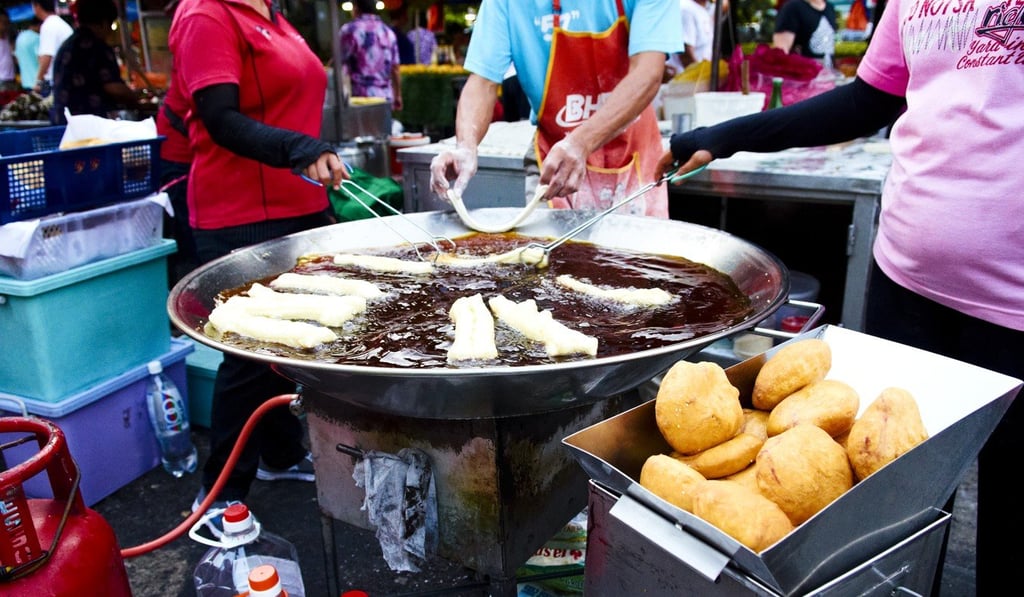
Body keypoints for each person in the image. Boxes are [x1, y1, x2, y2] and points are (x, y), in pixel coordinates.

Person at [660, 0, 1022, 593]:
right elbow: (865, 102)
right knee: (899, 509)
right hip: (906, 281)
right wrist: (723, 137)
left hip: (1014, 307)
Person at [167, 0, 347, 513]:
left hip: (298, 208)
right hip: (241, 213)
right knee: (248, 356)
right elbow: (219, 119)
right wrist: (298, 148)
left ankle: (279, 454)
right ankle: (220, 499)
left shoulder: (270, 13)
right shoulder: (207, 14)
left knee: (288, 349)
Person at [429, 0, 683, 218]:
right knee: (546, 258)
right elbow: (482, 82)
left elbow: (648, 73)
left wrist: (581, 142)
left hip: (633, 156)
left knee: (638, 258)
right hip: (553, 162)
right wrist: (466, 145)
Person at [51, 0, 140, 124]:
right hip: (90, 123)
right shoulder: (98, 47)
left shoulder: (67, 45)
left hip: (63, 122)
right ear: (104, 23)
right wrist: (135, 98)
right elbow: (113, 88)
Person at [338, 0, 402, 111]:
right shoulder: (388, 32)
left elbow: (339, 62)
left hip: (359, 99)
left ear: (356, 8)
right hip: (384, 98)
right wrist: (398, 96)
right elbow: (395, 68)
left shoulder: (349, 30)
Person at [31, 0, 73, 98]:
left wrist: (38, 81)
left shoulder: (49, 25)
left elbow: (47, 56)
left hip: (56, 81)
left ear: (37, 6)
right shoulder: (58, 23)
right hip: (65, 78)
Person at [772, 0, 837, 60]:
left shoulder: (829, 7)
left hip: (828, 67)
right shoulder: (793, 7)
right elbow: (782, 50)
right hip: (801, 66)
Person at [14, 18, 41, 92]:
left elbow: (17, 59)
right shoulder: (36, 38)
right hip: (37, 83)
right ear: (39, 25)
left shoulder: (20, 37)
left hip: (25, 82)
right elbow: (41, 59)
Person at [0, 11, 15, 91]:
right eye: (3, 22)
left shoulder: (7, 38)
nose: (6, 25)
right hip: (1, 80)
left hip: (11, 78)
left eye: (7, 22)